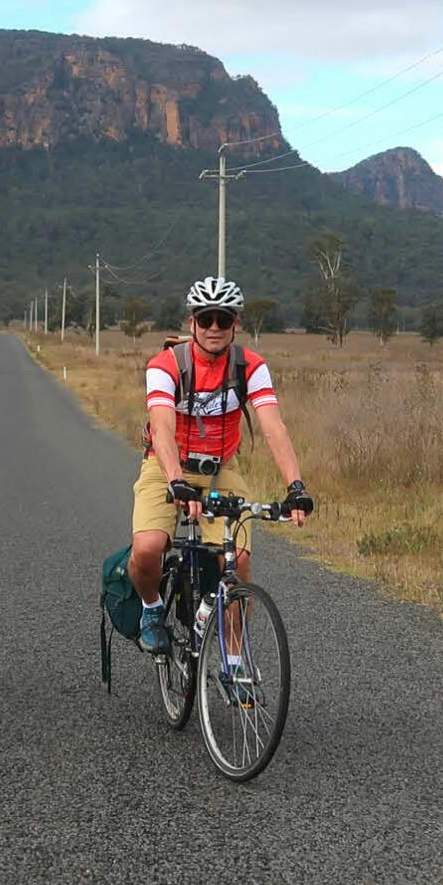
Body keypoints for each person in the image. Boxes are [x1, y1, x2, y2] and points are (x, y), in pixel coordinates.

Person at [129, 275, 315, 654]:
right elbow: (162, 428)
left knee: (237, 563)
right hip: (167, 466)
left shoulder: (250, 367)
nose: (214, 327)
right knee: (148, 548)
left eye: (224, 319)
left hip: (220, 469)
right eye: (206, 318)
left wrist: (295, 486)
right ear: (192, 322)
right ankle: (151, 607)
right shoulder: (166, 365)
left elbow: (274, 428)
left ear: (236, 324)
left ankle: (234, 657)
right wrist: (176, 479)